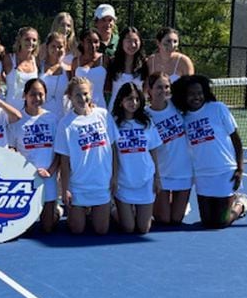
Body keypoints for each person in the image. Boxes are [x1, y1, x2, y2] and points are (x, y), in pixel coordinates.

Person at [171, 75, 247, 229]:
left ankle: (241, 204)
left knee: (221, 221)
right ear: (184, 96)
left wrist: (240, 169)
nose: (197, 97)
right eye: (191, 94)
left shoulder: (218, 108)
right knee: (207, 221)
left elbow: (236, 140)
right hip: (202, 174)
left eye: (199, 93)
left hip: (224, 171)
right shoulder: (184, 118)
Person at [55, 76, 113, 235]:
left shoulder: (103, 115)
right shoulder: (65, 124)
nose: (83, 98)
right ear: (70, 97)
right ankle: (66, 211)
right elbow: (64, 161)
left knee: (101, 231)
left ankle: (110, 210)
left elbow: (113, 149)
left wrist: (114, 179)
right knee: (77, 230)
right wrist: (65, 189)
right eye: (78, 95)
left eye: (85, 94)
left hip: (101, 184)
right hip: (78, 186)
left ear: (91, 94)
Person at [110, 82, 162, 234]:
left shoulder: (146, 122)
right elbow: (113, 153)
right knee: (128, 228)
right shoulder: (114, 123)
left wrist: (157, 177)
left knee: (143, 229)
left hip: (145, 179)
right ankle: (114, 209)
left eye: (137, 99)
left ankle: (140, 215)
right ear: (121, 101)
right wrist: (113, 177)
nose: (133, 103)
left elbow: (153, 150)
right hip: (124, 181)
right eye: (129, 99)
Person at [9, 78, 61, 233]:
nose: (37, 99)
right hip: (26, 180)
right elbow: (12, 150)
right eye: (32, 94)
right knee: (27, 229)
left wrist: (51, 171)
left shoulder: (52, 119)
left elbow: (60, 151)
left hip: (47, 177)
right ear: (25, 95)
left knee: (47, 228)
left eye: (41, 94)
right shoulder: (17, 120)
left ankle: (57, 211)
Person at [145, 72, 193, 225]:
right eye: (159, 87)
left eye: (167, 87)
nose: (163, 91)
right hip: (162, 173)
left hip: (183, 170)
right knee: (164, 219)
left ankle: (241, 203)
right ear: (149, 90)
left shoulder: (176, 105)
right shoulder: (145, 115)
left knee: (177, 219)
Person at [105, 26, 148, 104]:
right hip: (115, 110)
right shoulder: (112, 62)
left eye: (136, 41)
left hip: (136, 110)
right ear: (121, 42)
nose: (132, 45)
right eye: (128, 41)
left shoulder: (145, 64)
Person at [3, 26, 39, 111]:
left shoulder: (36, 61)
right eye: (27, 39)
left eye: (34, 40)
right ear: (20, 40)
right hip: (11, 108)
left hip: (30, 110)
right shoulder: (9, 59)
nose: (31, 42)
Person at [70, 28, 108, 109]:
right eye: (89, 41)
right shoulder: (76, 62)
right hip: (80, 105)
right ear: (82, 42)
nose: (93, 45)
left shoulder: (105, 60)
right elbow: (72, 85)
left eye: (96, 42)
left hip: (100, 105)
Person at [39, 32, 70, 119]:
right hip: (41, 115)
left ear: (65, 48)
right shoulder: (38, 67)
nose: (56, 50)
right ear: (47, 47)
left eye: (60, 47)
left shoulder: (68, 70)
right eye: (53, 46)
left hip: (62, 116)